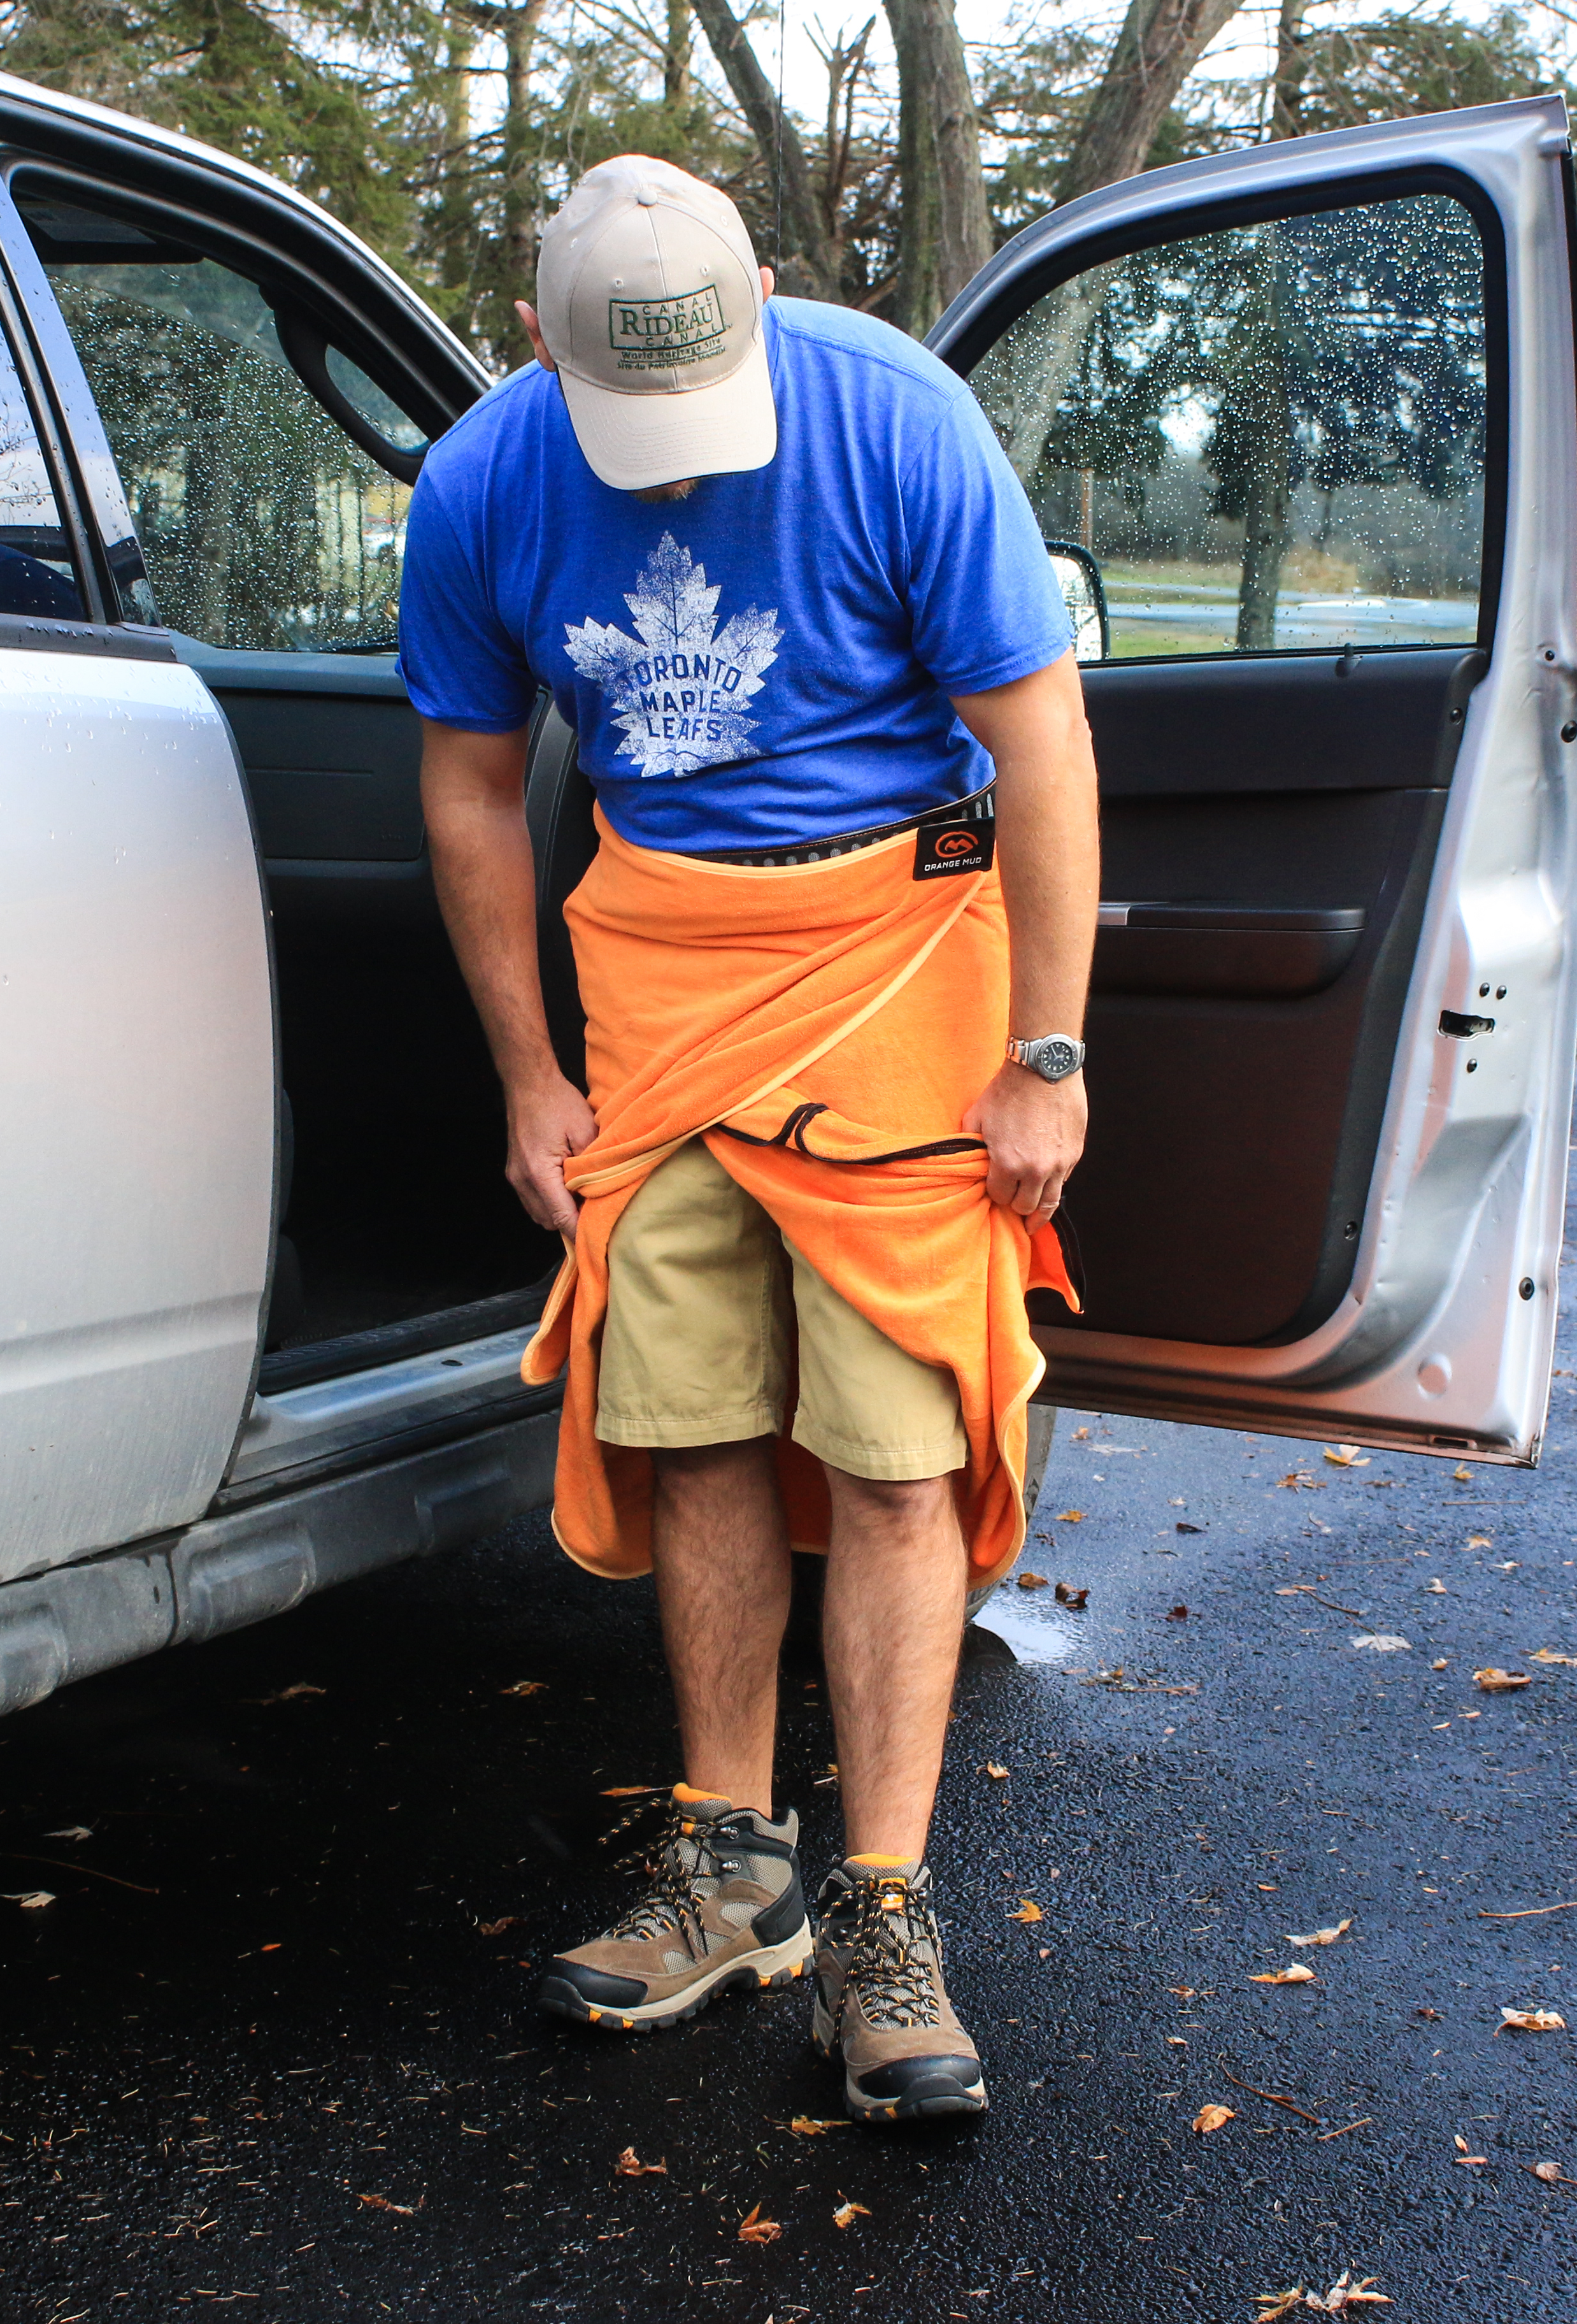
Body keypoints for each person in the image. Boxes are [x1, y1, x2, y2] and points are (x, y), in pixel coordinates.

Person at [401, 154, 1099, 2124]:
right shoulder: (481, 484)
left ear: (767, 296)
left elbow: (1041, 743)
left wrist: (1047, 1050)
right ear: (539, 341)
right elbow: (468, 790)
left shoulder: (897, 421)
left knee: (890, 1448)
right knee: (693, 1419)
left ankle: (882, 1906)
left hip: (900, 950)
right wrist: (531, 1077)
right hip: (665, 971)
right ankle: (733, 1865)